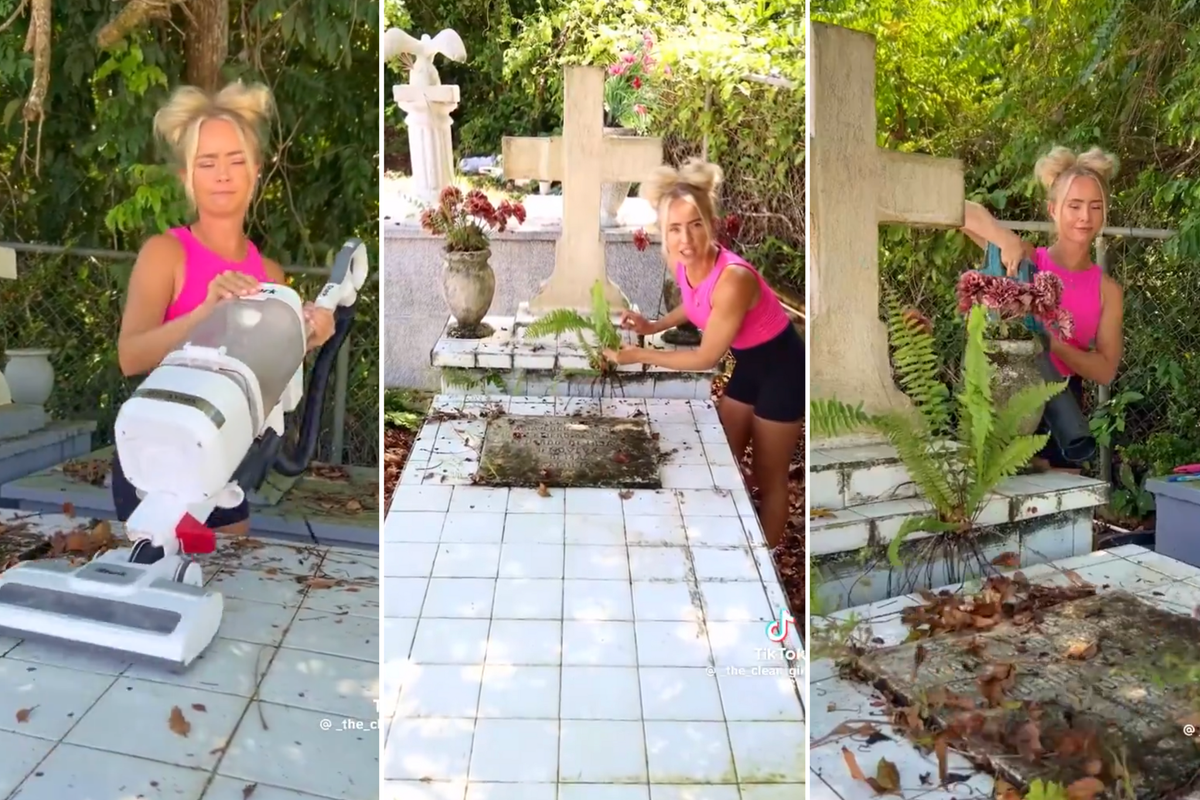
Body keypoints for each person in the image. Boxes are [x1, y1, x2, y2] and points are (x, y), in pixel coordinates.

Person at [113, 81, 336, 536]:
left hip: (227, 461)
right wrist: (204, 313)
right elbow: (129, 357)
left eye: (235, 161)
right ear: (187, 177)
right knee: (161, 571)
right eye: (207, 162)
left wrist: (309, 336)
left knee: (230, 578)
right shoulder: (165, 254)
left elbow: (266, 385)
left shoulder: (269, 273)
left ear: (255, 172)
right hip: (158, 458)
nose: (223, 174)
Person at [602, 159, 804, 548]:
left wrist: (639, 356)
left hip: (784, 370)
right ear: (664, 232)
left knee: (770, 478)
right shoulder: (685, 263)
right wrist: (652, 326)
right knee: (722, 458)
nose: (686, 239)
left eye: (695, 225)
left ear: (712, 224)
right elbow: (695, 305)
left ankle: (765, 563)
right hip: (751, 365)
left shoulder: (733, 279)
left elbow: (705, 358)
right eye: (675, 228)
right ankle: (729, 536)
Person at [960, 145, 1124, 472]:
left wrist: (1054, 345)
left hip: (1064, 411)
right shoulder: (1027, 260)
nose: (1085, 216)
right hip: (1007, 399)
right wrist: (1004, 239)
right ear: (1053, 210)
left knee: (1062, 501)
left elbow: (1105, 369)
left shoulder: (1108, 290)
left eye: (1095, 206)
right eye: (1074, 205)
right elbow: (960, 210)